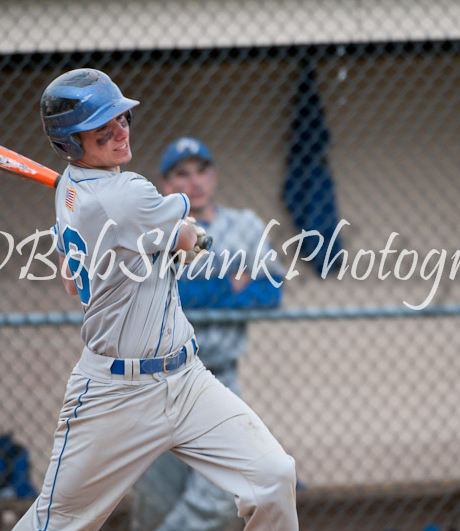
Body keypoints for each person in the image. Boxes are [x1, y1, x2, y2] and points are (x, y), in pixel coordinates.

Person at [13, 68, 298, 531]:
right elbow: (184, 234)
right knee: (56, 522)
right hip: (114, 393)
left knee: (272, 476)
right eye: (101, 128)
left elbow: (71, 281)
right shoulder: (126, 194)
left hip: (186, 379)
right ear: (69, 144)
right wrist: (191, 239)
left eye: (121, 119)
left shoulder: (71, 192)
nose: (119, 132)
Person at [129, 137, 285, 531]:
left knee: (224, 492)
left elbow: (270, 291)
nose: (194, 181)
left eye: (201, 171)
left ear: (213, 177)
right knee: (157, 497)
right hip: (157, 378)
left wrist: (196, 289)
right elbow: (158, 296)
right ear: (165, 184)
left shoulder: (245, 225)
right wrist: (225, 284)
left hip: (218, 376)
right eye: (182, 173)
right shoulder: (151, 232)